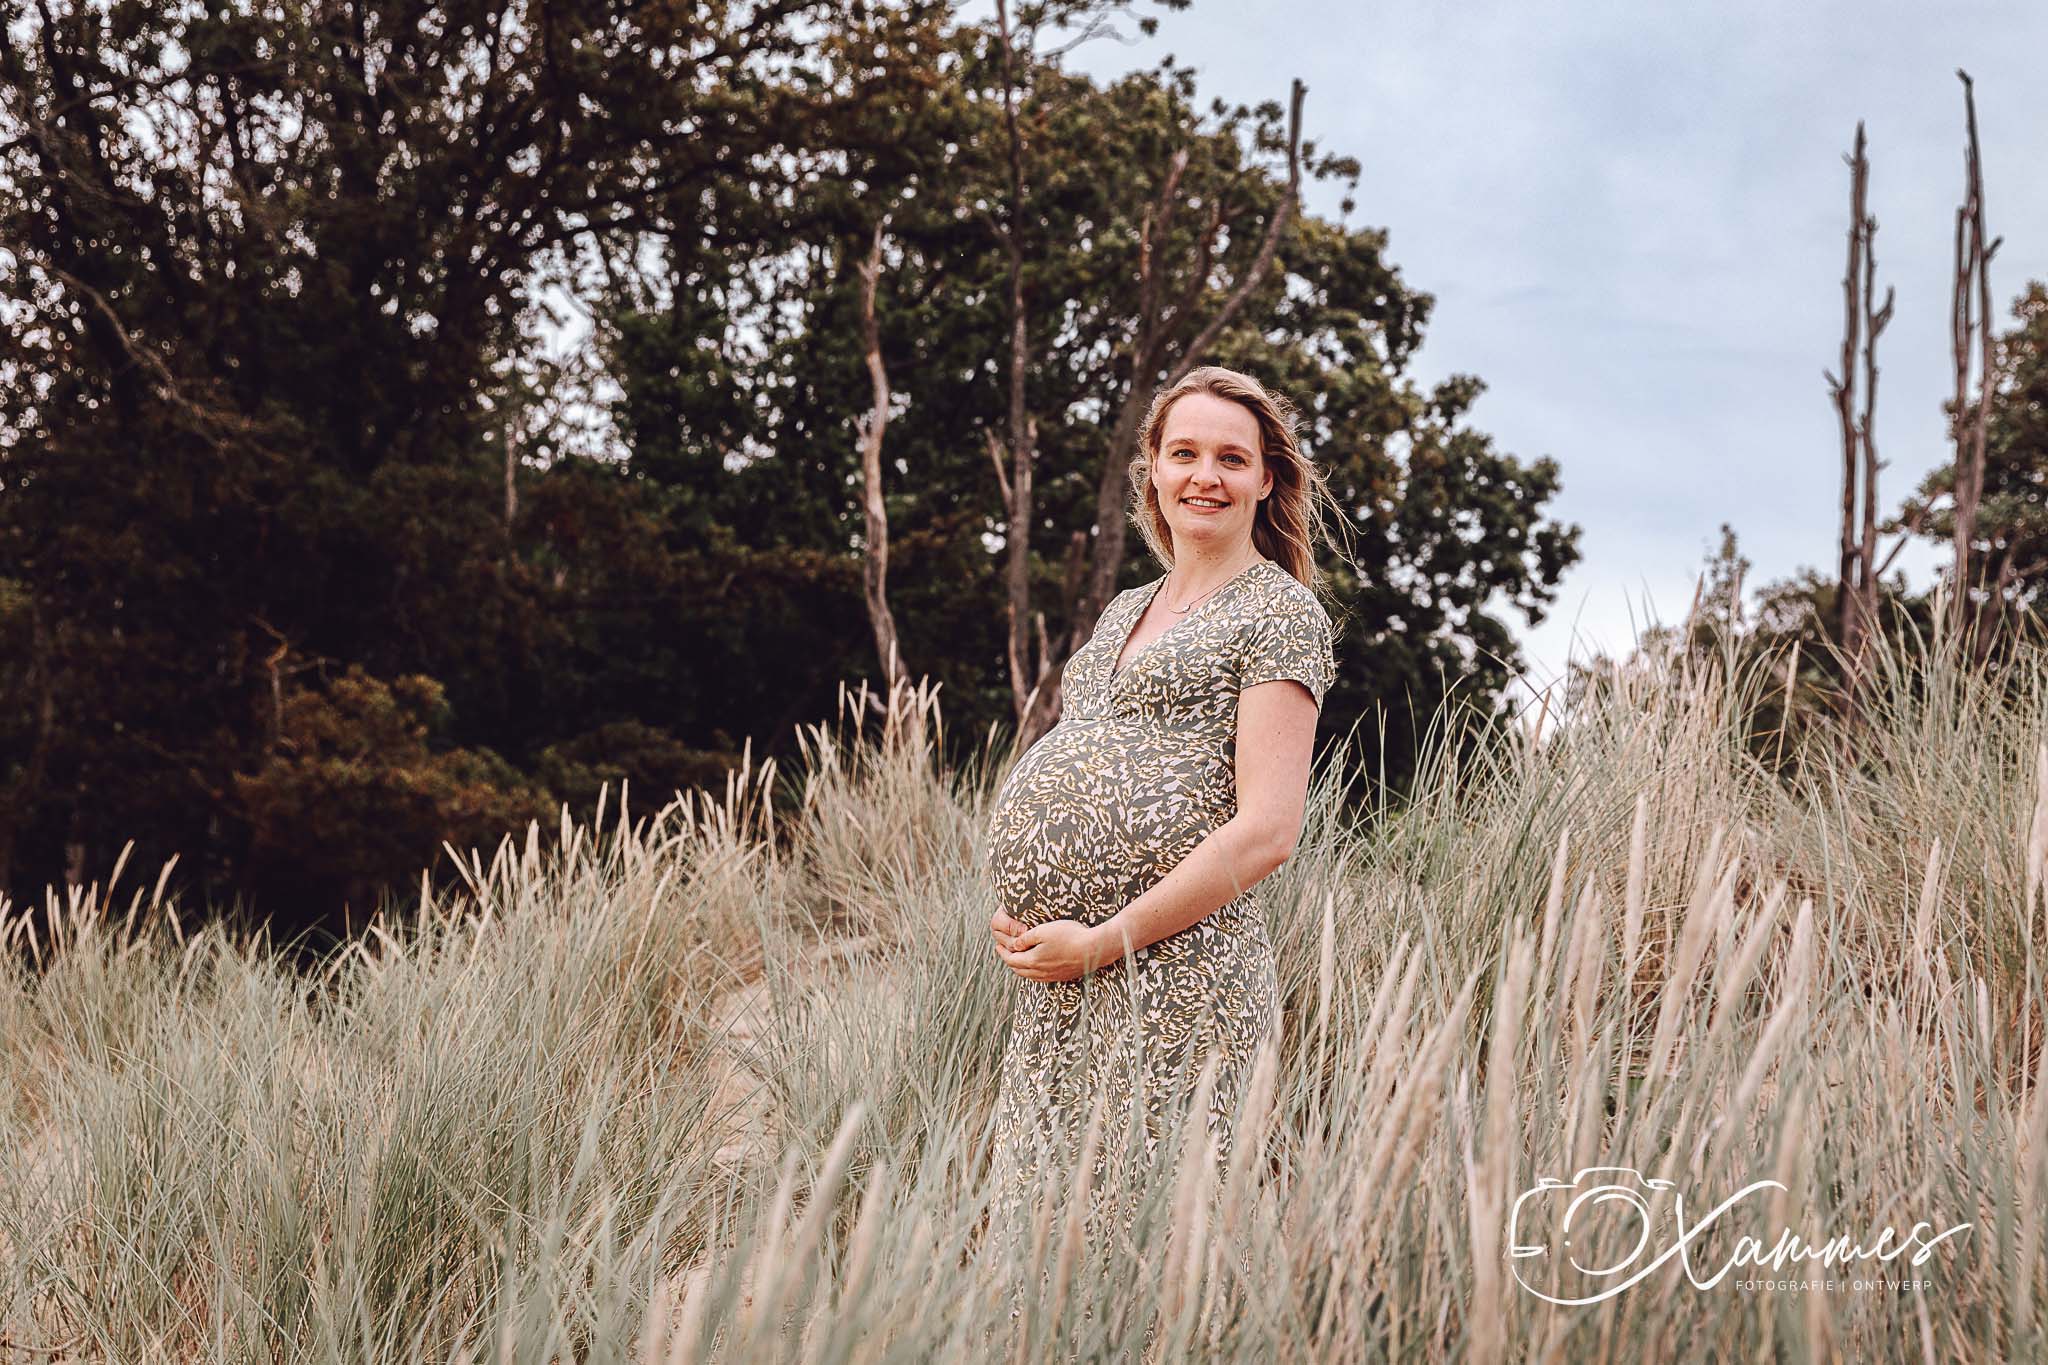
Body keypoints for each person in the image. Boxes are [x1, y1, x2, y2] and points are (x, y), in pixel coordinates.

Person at [980, 364, 1341, 1288]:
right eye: (1184, 453)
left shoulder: (1280, 613)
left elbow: (1268, 830)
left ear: (1267, 478)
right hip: (1064, 988)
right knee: (1047, 1244)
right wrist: (1033, 905)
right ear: (1152, 467)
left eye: (1232, 457)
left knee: (1156, 1251)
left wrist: (1106, 937)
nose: (1205, 476)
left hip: (1179, 979)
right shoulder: (1123, 612)